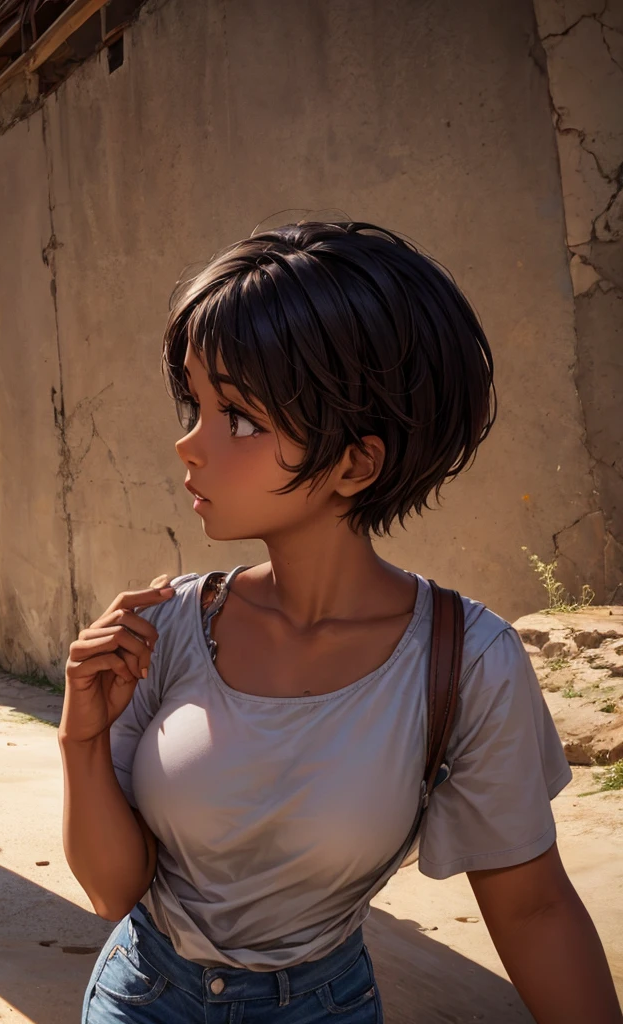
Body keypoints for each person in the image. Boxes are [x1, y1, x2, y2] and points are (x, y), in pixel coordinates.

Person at [58, 221, 622, 1023]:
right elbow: (112, 889)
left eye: (239, 418)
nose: (188, 444)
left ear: (357, 463)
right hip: (141, 997)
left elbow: (532, 908)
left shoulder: (467, 662)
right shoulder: (173, 623)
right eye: (195, 403)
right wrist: (80, 740)